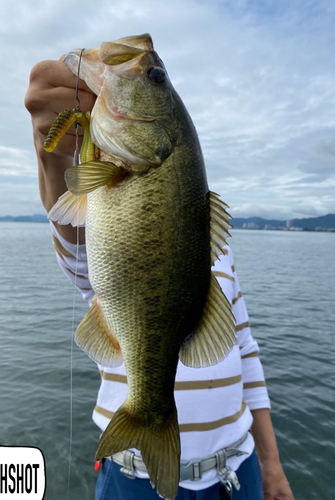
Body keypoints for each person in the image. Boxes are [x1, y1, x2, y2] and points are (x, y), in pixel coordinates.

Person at [25, 56, 295, 500]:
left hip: (238, 474)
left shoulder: (217, 251)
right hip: (134, 481)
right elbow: (79, 259)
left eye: (153, 78)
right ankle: (145, 422)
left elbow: (245, 350)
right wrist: (51, 154)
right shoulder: (108, 189)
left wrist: (272, 465)